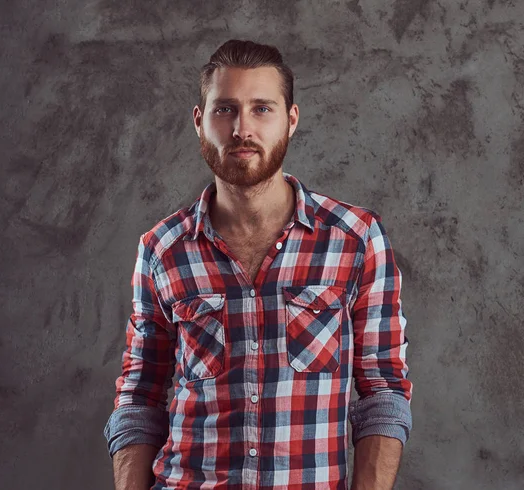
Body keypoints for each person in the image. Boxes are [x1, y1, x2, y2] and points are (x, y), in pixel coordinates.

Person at [104, 39, 413, 490]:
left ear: (291, 120)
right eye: (225, 109)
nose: (241, 128)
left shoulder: (356, 239)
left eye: (262, 109)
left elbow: (383, 391)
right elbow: (139, 396)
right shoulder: (163, 249)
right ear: (199, 121)